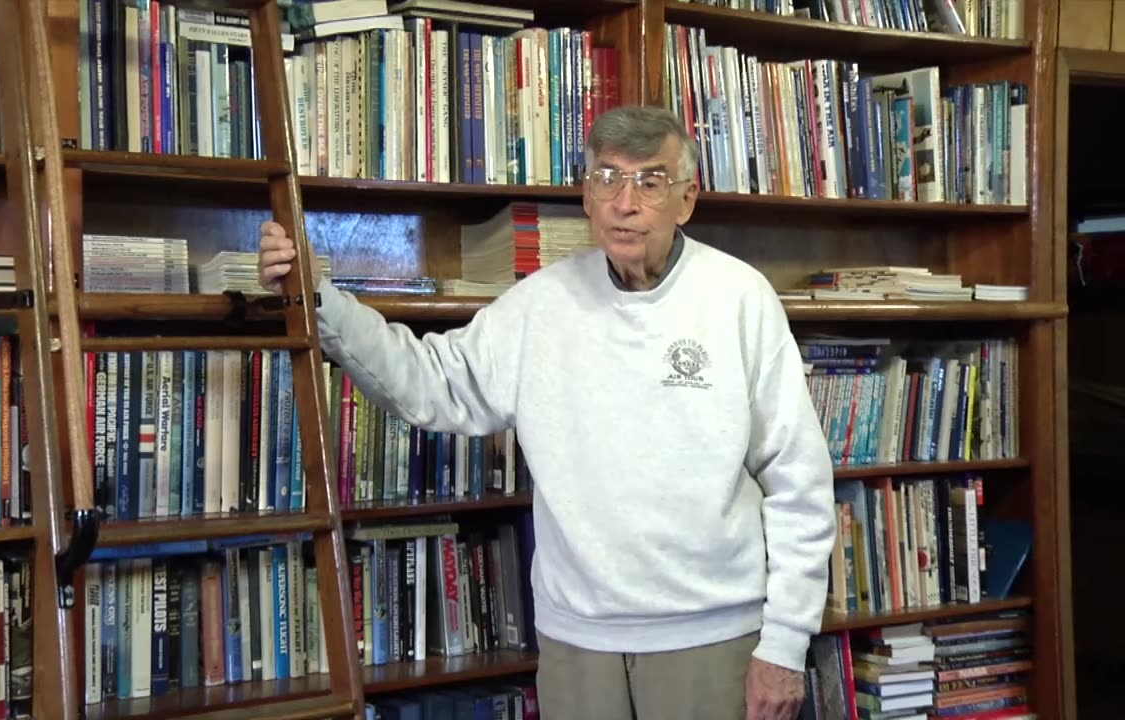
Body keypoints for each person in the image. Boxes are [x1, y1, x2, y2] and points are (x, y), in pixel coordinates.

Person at [258, 105, 836, 720]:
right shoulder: (541, 304)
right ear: (587, 196)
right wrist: (318, 296)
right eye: (608, 178)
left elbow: (799, 482)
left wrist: (784, 643)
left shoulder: (740, 298)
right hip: (576, 644)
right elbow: (431, 383)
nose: (625, 201)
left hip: (715, 640)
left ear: (687, 199)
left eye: (650, 181)